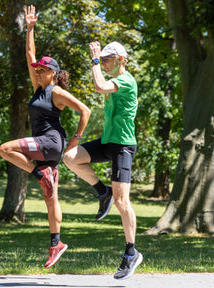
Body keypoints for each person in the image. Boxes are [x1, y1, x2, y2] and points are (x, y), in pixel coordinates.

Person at [0, 5, 91, 269]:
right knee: (52, 200)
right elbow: (30, 55)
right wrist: (30, 28)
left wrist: (76, 139)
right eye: (37, 69)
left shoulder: (55, 92)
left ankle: (39, 174)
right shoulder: (38, 88)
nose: (37, 71)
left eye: (43, 69)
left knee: (5, 149)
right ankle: (56, 243)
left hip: (50, 142)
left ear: (53, 72)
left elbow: (85, 110)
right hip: (46, 147)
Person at [64, 41, 143, 279]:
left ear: (120, 58)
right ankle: (102, 191)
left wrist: (95, 59)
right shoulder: (116, 82)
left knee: (122, 202)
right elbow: (102, 85)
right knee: (70, 157)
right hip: (108, 141)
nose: (104, 63)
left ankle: (131, 253)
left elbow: (99, 86)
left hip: (123, 147)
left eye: (108, 59)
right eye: (103, 59)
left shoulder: (126, 80)